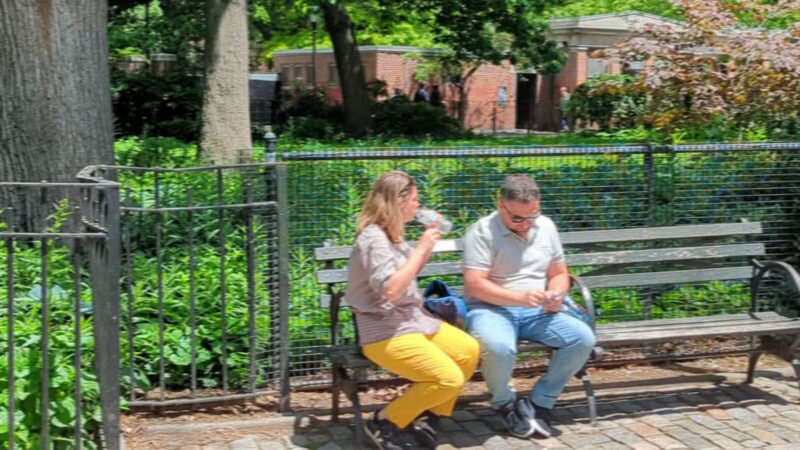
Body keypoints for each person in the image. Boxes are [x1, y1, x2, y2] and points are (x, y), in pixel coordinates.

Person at [345, 171, 480, 450]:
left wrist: (422, 249)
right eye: (415, 200)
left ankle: (429, 417)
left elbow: (406, 277)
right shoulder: (373, 238)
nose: (419, 206)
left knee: (468, 351)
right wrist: (421, 249)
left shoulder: (393, 235)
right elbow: (391, 290)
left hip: (413, 319)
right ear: (398, 201)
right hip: (382, 329)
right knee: (447, 378)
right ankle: (383, 422)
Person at [463, 174, 595, 439]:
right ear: (501, 205)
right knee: (500, 348)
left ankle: (540, 402)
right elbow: (474, 284)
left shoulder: (546, 226)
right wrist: (519, 299)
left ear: (539, 204)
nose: (525, 225)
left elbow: (559, 273)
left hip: (538, 308)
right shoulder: (481, 231)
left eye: (531, 216)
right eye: (517, 219)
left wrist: (557, 294)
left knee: (582, 339)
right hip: (491, 308)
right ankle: (504, 403)